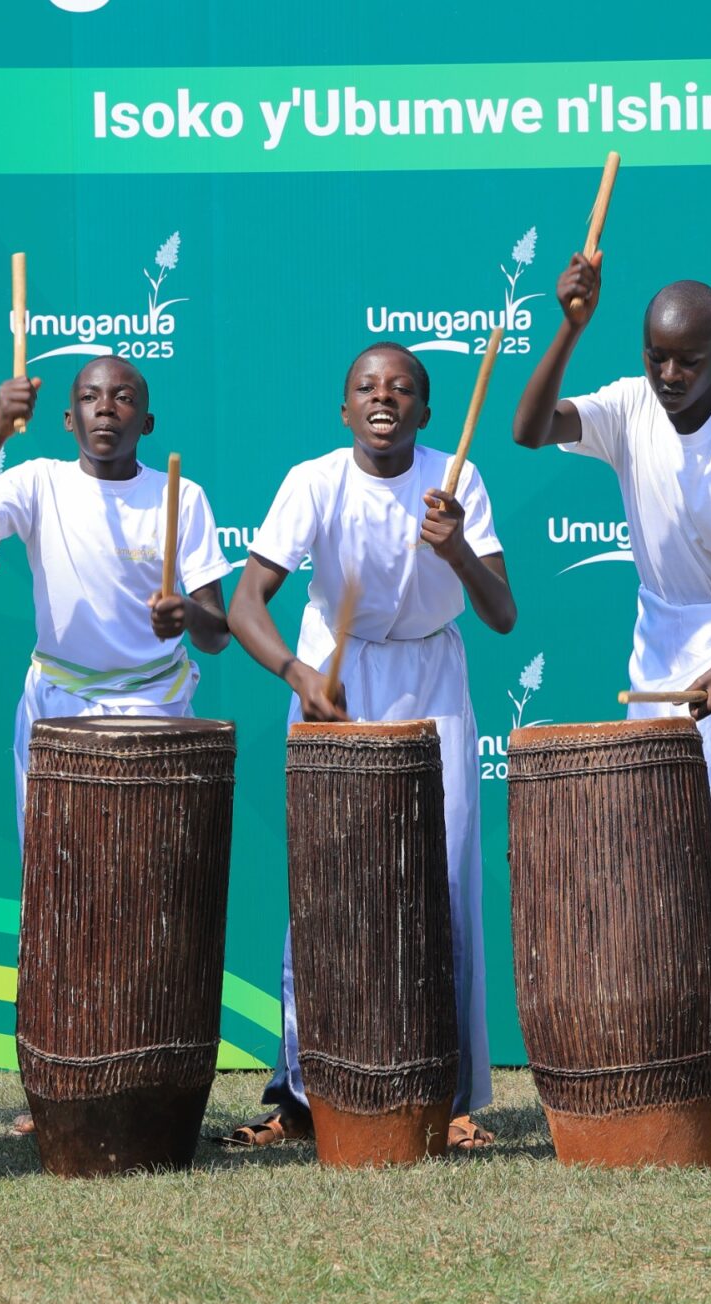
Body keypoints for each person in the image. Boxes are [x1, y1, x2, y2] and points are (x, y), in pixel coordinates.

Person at [223, 342, 516, 1151]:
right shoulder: (313, 480)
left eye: (401, 388)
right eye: (367, 387)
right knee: (328, 887)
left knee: (443, 882)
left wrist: (456, 547)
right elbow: (246, 602)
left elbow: (502, 613)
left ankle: (446, 1096)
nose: (384, 397)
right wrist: (297, 673)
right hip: (335, 678)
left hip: (433, 680)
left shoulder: (456, 479)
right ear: (345, 408)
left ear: (425, 410)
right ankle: (302, 1097)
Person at [0, 355, 232, 1139]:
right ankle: (60, 1080)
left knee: (146, 896)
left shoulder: (180, 496)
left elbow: (217, 630)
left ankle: (143, 1074)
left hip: (155, 708)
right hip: (58, 708)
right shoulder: (37, 482)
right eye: (92, 398)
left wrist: (184, 617)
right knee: (58, 893)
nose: (107, 409)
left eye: (123, 398)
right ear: (69, 419)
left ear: (147, 420)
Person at [511, 256, 711, 867]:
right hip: (660, 640)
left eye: (689, 360)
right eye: (656, 356)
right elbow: (530, 430)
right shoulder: (629, 406)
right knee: (656, 840)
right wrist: (571, 328)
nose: (669, 374)